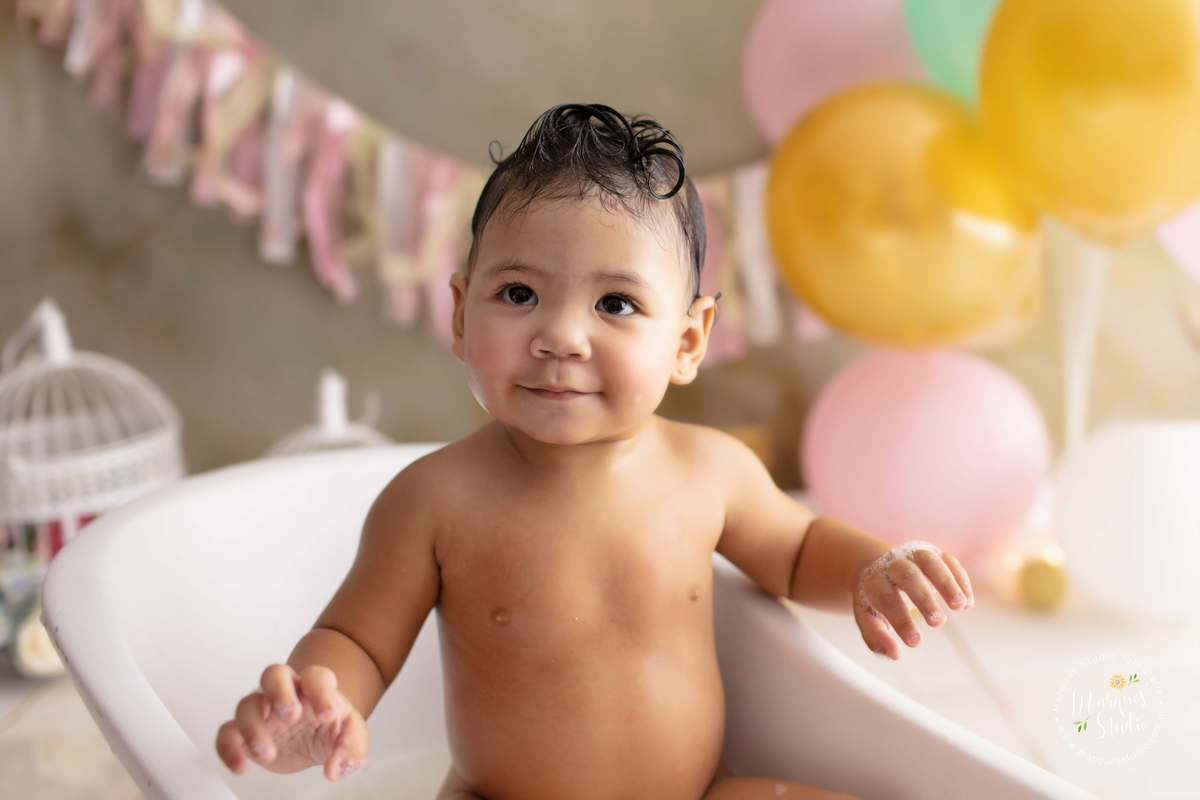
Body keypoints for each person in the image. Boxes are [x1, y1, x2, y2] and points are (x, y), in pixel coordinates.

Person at [215, 104, 975, 800]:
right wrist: (321, 700)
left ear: (686, 341)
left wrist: (874, 569)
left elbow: (801, 546)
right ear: (458, 312)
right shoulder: (434, 500)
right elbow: (358, 639)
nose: (561, 337)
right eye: (519, 294)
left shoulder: (710, 472)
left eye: (615, 304)